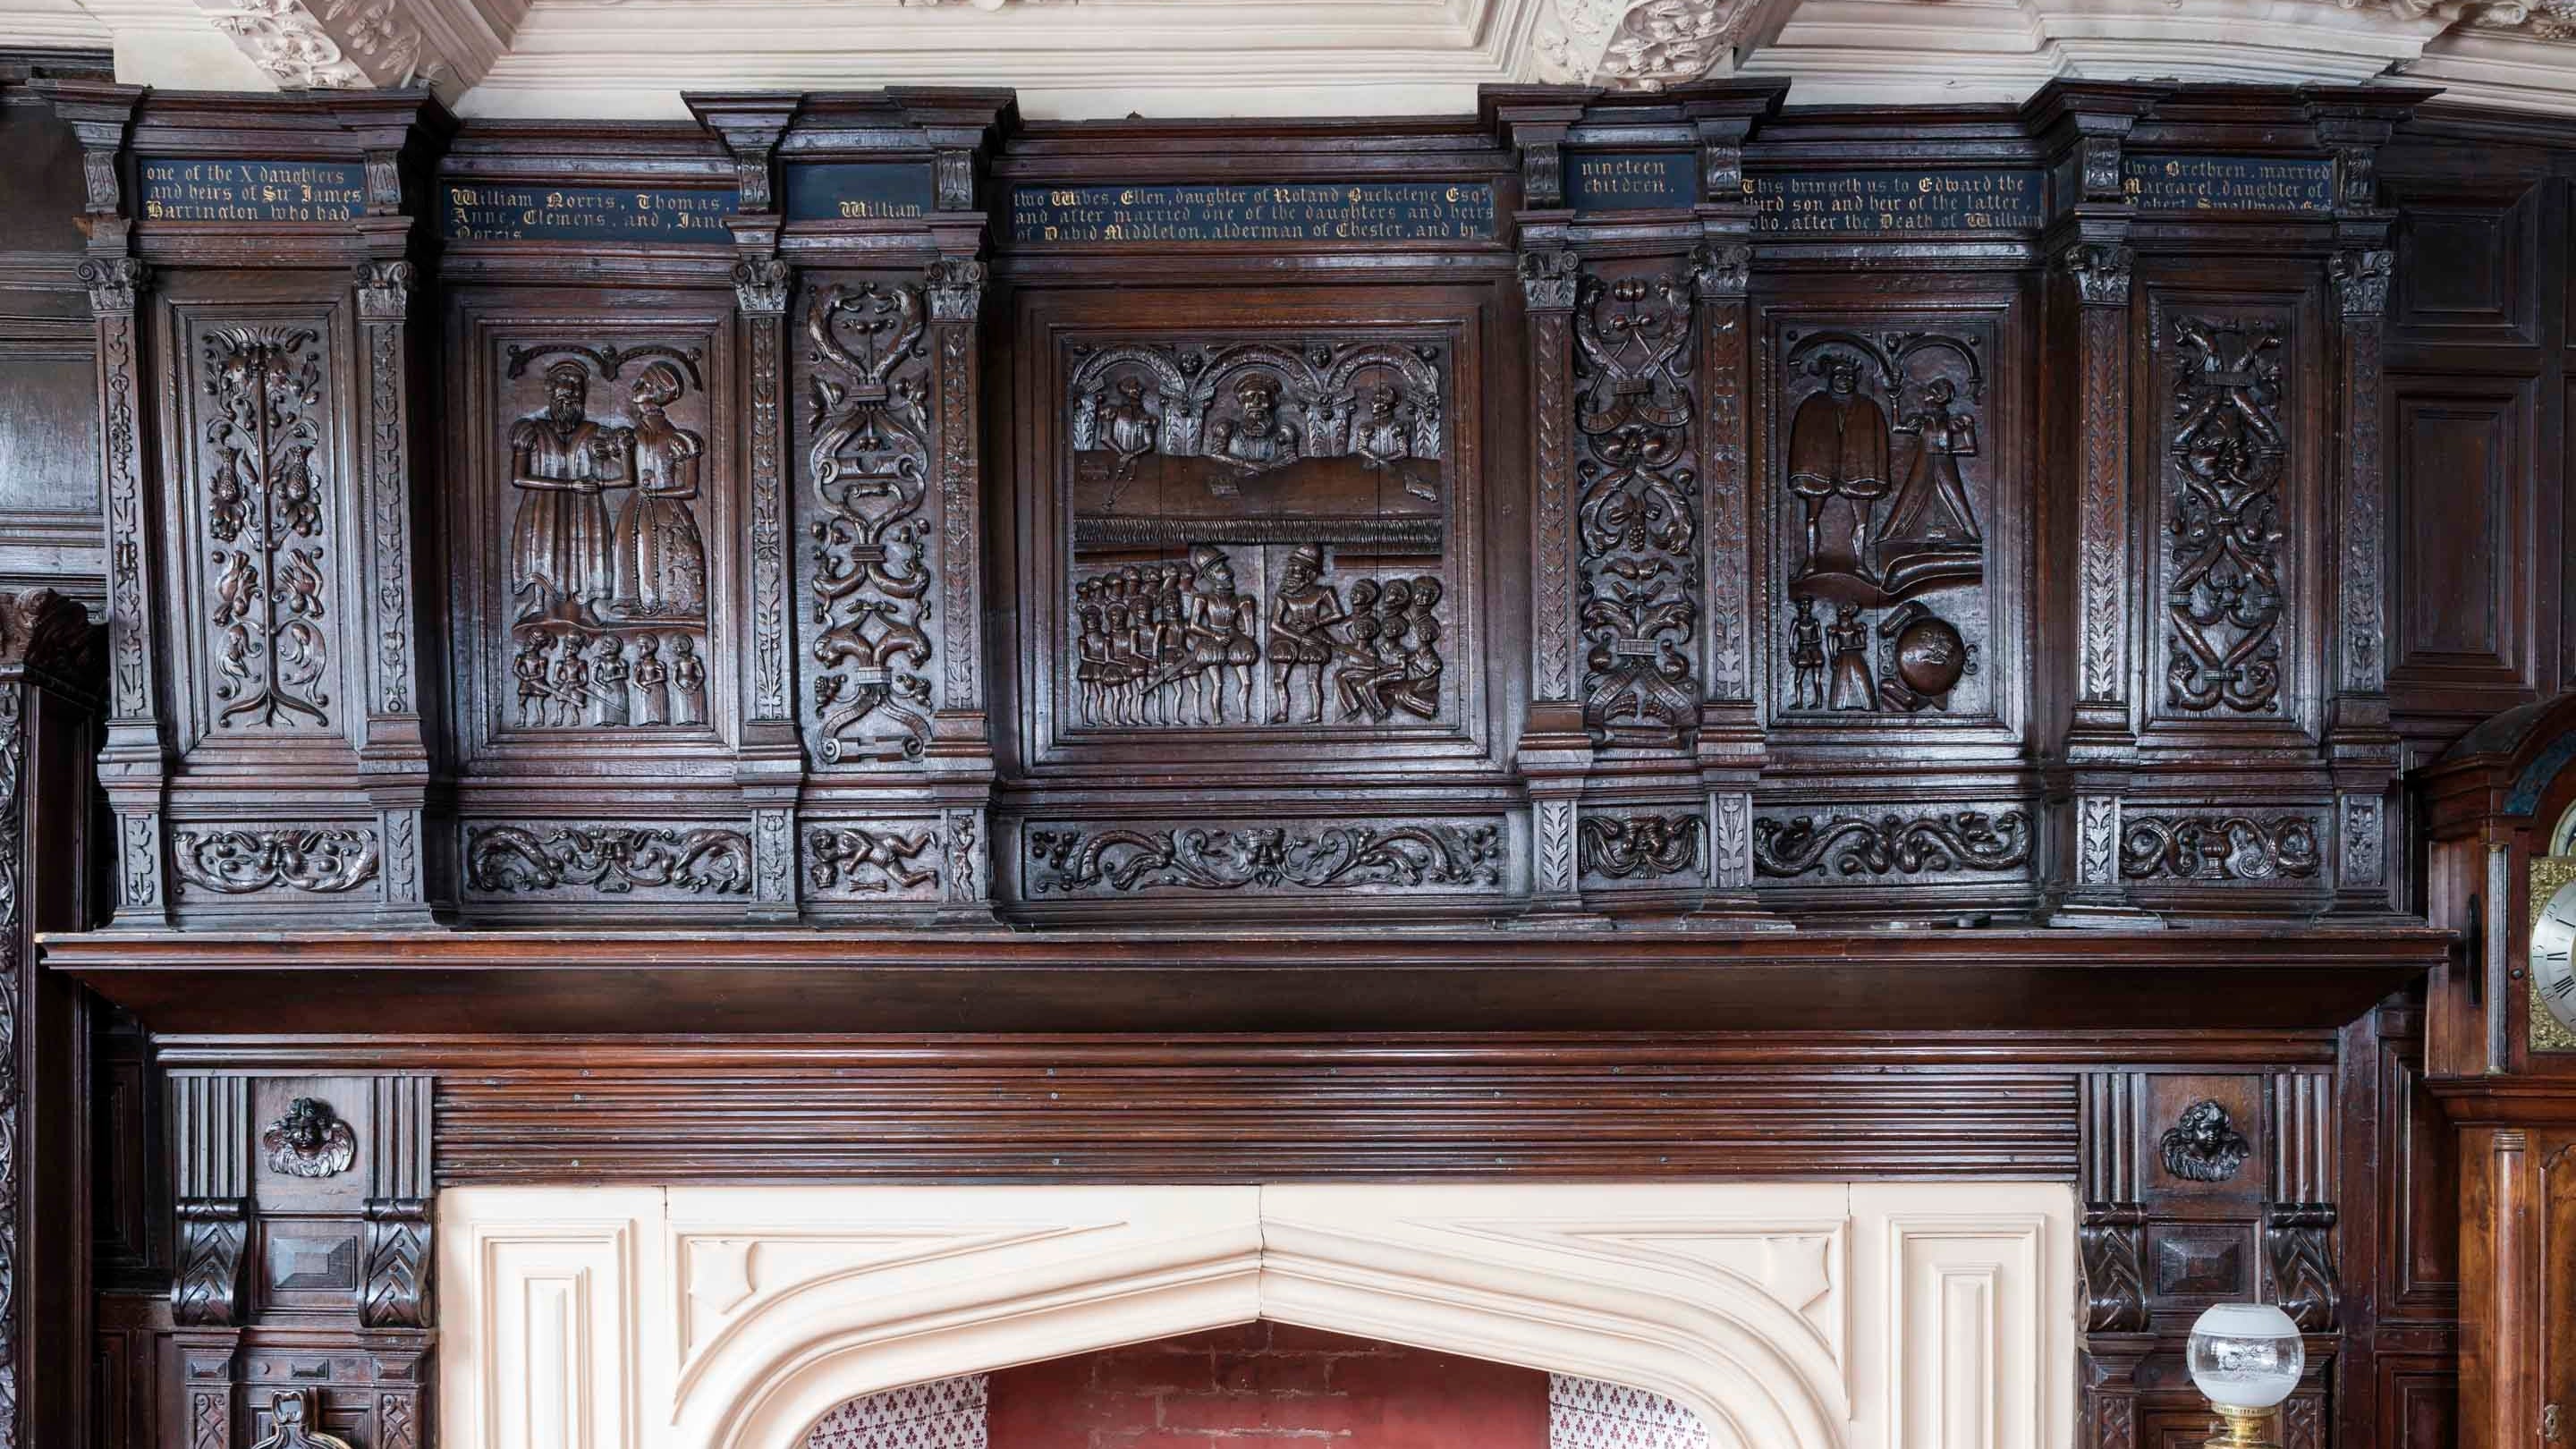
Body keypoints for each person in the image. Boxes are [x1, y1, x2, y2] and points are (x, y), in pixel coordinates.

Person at [508, 360, 629, 621]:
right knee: (542, 547)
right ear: (550, 388)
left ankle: (585, 608)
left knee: (587, 550)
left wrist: (617, 450)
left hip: (585, 505)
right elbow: (518, 478)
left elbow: (623, 469)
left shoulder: (594, 432)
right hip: (543, 504)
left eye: (577, 386)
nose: (572, 391)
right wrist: (569, 485)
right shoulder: (532, 431)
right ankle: (539, 603)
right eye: (566, 382)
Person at [612, 361, 708, 619]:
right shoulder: (631, 435)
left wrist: (657, 494)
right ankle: (629, 602)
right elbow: (626, 477)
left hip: (666, 506)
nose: (637, 386)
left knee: (667, 547)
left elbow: (689, 488)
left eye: (645, 383)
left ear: (659, 392)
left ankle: (673, 603)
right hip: (636, 506)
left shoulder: (678, 438)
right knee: (626, 542)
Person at [1785, 354, 1890, 589]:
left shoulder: (1868, 407)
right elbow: (1804, 443)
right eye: (1839, 375)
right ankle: (1810, 561)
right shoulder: (1813, 404)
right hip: (1819, 467)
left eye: (1849, 376)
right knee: (1812, 516)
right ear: (1830, 377)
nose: (1845, 380)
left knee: (1862, 521)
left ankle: (1860, 563)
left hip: (1859, 468)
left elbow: (1877, 445)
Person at [1267, 544, 1346, 724]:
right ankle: (1283, 712)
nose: (1293, 573)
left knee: (1313, 680)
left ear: (1309, 573)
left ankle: (1316, 714)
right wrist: (1299, 637)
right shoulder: (1284, 595)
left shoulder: (1323, 592)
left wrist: (1315, 623)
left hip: (1315, 634)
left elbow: (1338, 613)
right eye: (1292, 568)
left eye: (1298, 569)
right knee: (1279, 677)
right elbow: (1274, 624)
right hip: (1290, 635)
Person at [1826, 600, 1875, 712]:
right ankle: (1838, 705)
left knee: (1861, 678)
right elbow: (1830, 647)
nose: (1844, 619)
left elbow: (1863, 645)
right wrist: (1832, 659)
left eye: (1846, 616)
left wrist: (1845, 648)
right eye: (1841, 615)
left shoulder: (1858, 627)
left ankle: (1869, 704)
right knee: (1842, 680)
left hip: (1855, 656)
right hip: (1842, 658)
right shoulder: (1834, 629)